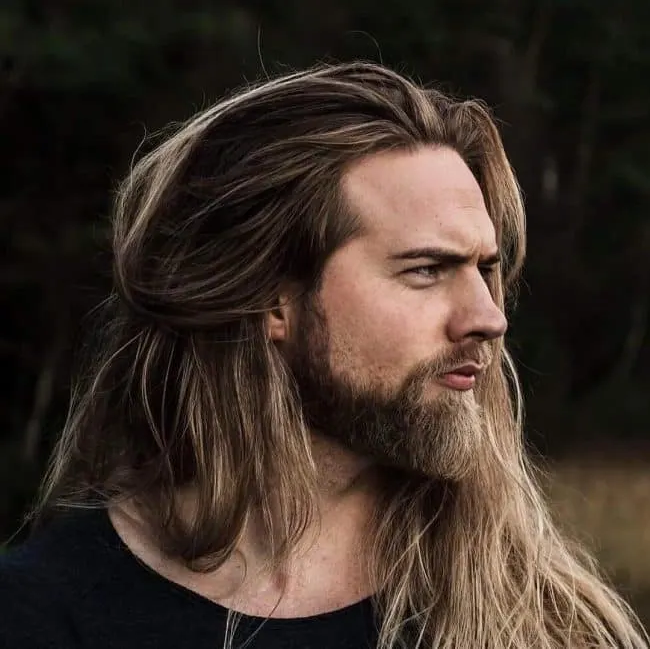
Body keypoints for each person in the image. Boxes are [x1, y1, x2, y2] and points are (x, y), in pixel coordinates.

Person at [0, 61, 647, 649]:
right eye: (426, 270)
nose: (488, 317)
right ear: (270, 302)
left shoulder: (540, 622)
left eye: (485, 268)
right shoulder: (44, 615)